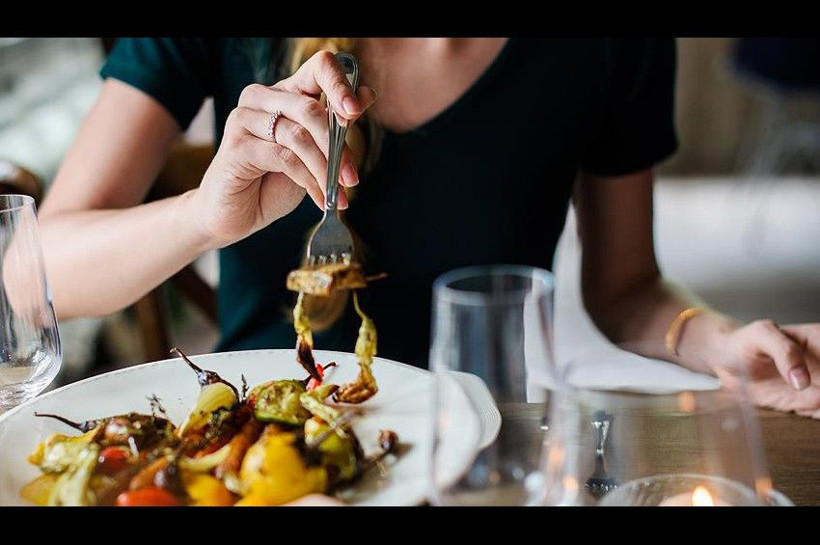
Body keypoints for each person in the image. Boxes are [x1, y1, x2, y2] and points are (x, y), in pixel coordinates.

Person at [38, 38, 820, 417]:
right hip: (260, 451)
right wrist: (204, 216)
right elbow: (30, 278)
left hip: (478, 450)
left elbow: (626, 289)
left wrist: (718, 342)